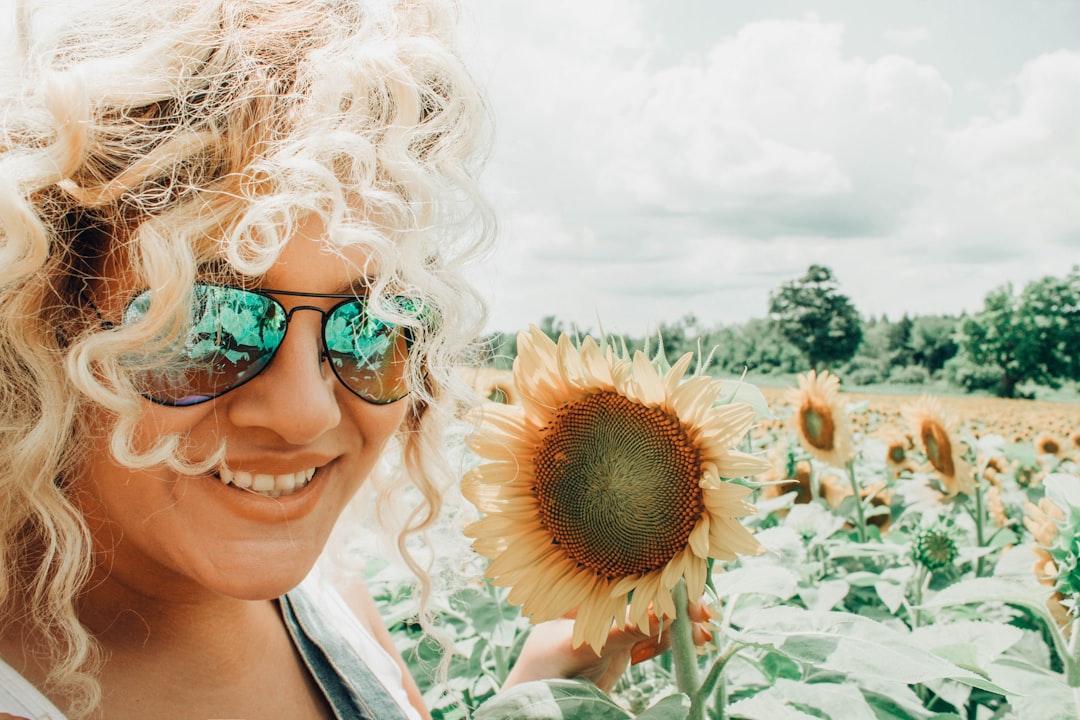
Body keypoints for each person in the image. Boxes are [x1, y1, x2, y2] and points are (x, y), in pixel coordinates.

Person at [0, 1, 706, 718]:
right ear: (40, 327)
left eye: (369, 326)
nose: (304, 412)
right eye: (207, 324)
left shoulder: (328, 606)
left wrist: (541, 697)